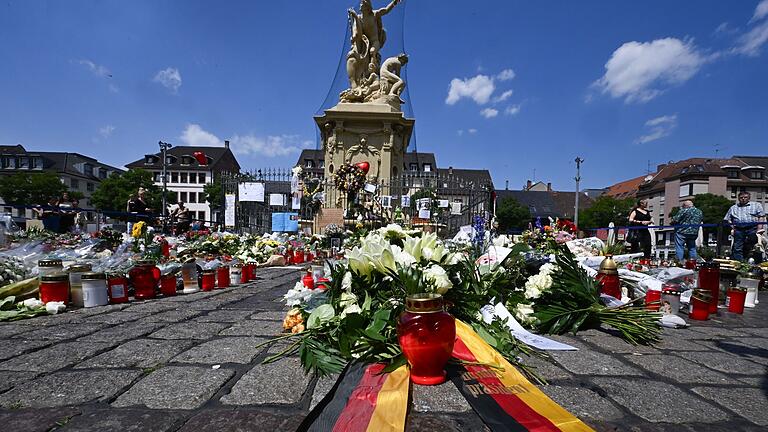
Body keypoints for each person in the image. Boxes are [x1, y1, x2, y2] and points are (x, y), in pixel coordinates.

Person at [724, 191, 766, 261]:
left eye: (745, 197)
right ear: (738, 198)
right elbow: (728, 219)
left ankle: (757, 261)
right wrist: (732, 228)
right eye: (741, 197)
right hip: (738, 228)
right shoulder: (733, 208)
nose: (743, 199)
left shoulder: (756, 205)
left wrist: (759, 229)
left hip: (752, 227)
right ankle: (739, 262)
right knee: (737, 246)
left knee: (756, 245)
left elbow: (761, 216)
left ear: (749, 198)